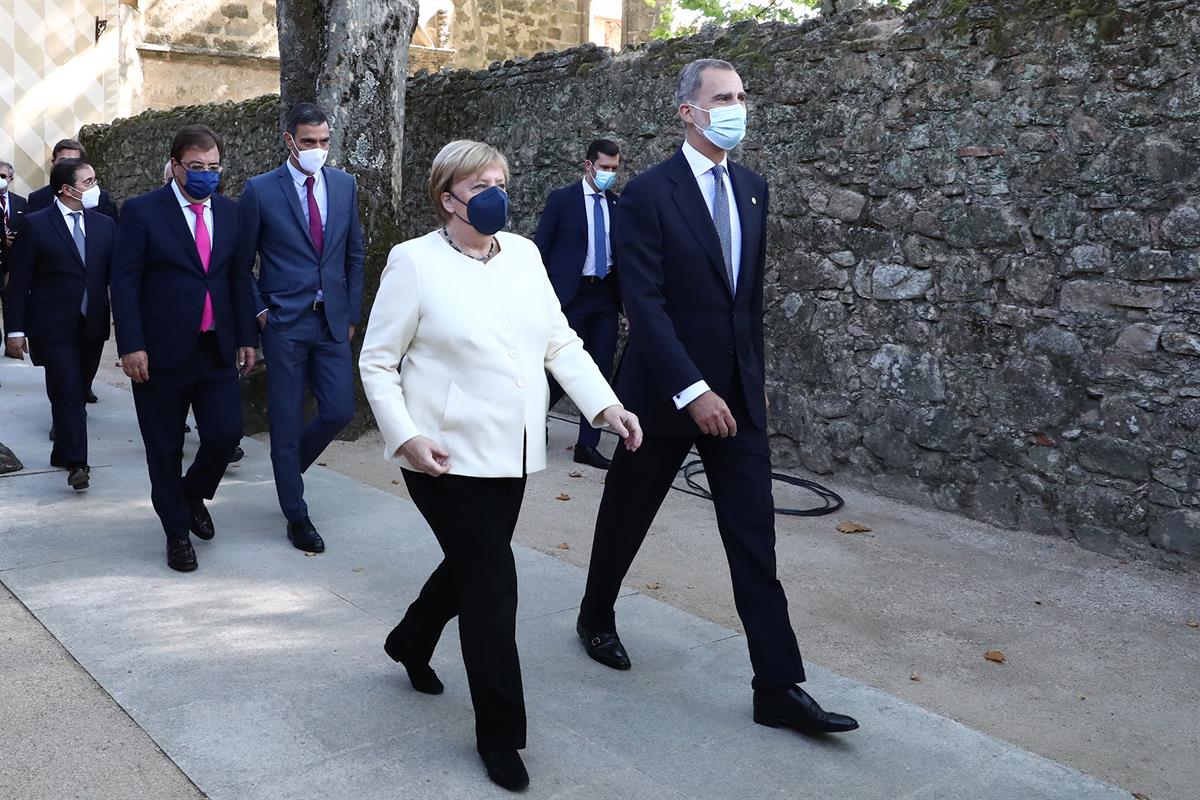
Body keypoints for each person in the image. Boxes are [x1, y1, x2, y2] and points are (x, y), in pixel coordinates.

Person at [577, 59, 859, 737]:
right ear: (688, 112)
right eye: (722, 98)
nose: (737, 107)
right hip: (663, 394)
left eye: (741, 96)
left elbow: (747, 306)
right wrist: (692, 389)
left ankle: (779, 687)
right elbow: (642, 305)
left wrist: (746, 386)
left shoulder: (755, 189)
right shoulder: (647, 194)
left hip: (737, 401)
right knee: (626, 513)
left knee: (753, 539)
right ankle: (595, 611)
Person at [359, 140, 642, 792]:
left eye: (501, 180)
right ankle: (500, 734)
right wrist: (404, 437)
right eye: (480, 182)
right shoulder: (413, 262)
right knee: (493, 583)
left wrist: (606, 405)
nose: (495, 191)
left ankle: (409, 638)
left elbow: (558, 341)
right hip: (440, 456)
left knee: (471, 564)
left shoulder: (525, 255)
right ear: (447, 196)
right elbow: (376, 362)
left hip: (511, 451)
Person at [111, 125, 257, 572]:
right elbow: (125, 281)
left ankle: (191, 495)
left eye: (214, 168)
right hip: (159, 354)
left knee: (225, 434)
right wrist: (131, 345)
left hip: (216, 348)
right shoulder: (141, 212)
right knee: (164, 447)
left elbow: (237, 278)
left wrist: (248, 337)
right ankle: (176, 534)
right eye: (197, 168)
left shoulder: (231, 214)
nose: (206, 176)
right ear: (175, 166)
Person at [237, 103, 363, 553]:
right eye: (309, 141)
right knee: (286, 421)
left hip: (331, 322)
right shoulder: (259, 191)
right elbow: (240, 264)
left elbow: (353, 253)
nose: (318, 149)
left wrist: (349, 313)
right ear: (288, 140)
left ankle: (286, 472)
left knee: (339, 410)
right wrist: (259, 314)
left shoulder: (345, 185)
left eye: (324, 141)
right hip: (284, 323)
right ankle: (296, 513)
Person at [3, 158, 115, 490]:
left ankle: (62, 449)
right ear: (66, 189)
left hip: (92, 323)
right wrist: (15, 330)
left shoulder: (105, 225)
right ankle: (78, 463)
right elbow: (18, 283)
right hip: (52, 325)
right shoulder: (37, 224)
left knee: (78, 390)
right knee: (66, 390)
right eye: (88, 182)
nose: (96, 188)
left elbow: (120, 276)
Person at [533, 138, 622, 469]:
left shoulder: (617, 205)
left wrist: (626, 305)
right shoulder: (562, 200)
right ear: (589, 165)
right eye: (605, 168)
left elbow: (621, 256)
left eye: (615, 169)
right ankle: (532, 415)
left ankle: (587, 444)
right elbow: (540, 249)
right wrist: (540, 296)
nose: (610, 174)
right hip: (570, 296)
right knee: (560, 369)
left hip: (605, 297)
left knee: (600, 370)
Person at [27, 139, 119, 221]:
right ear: (53, 162)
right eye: (63, 160)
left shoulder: (100, 197)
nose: (67, 166)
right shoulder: (37, 198)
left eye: (74, 161)